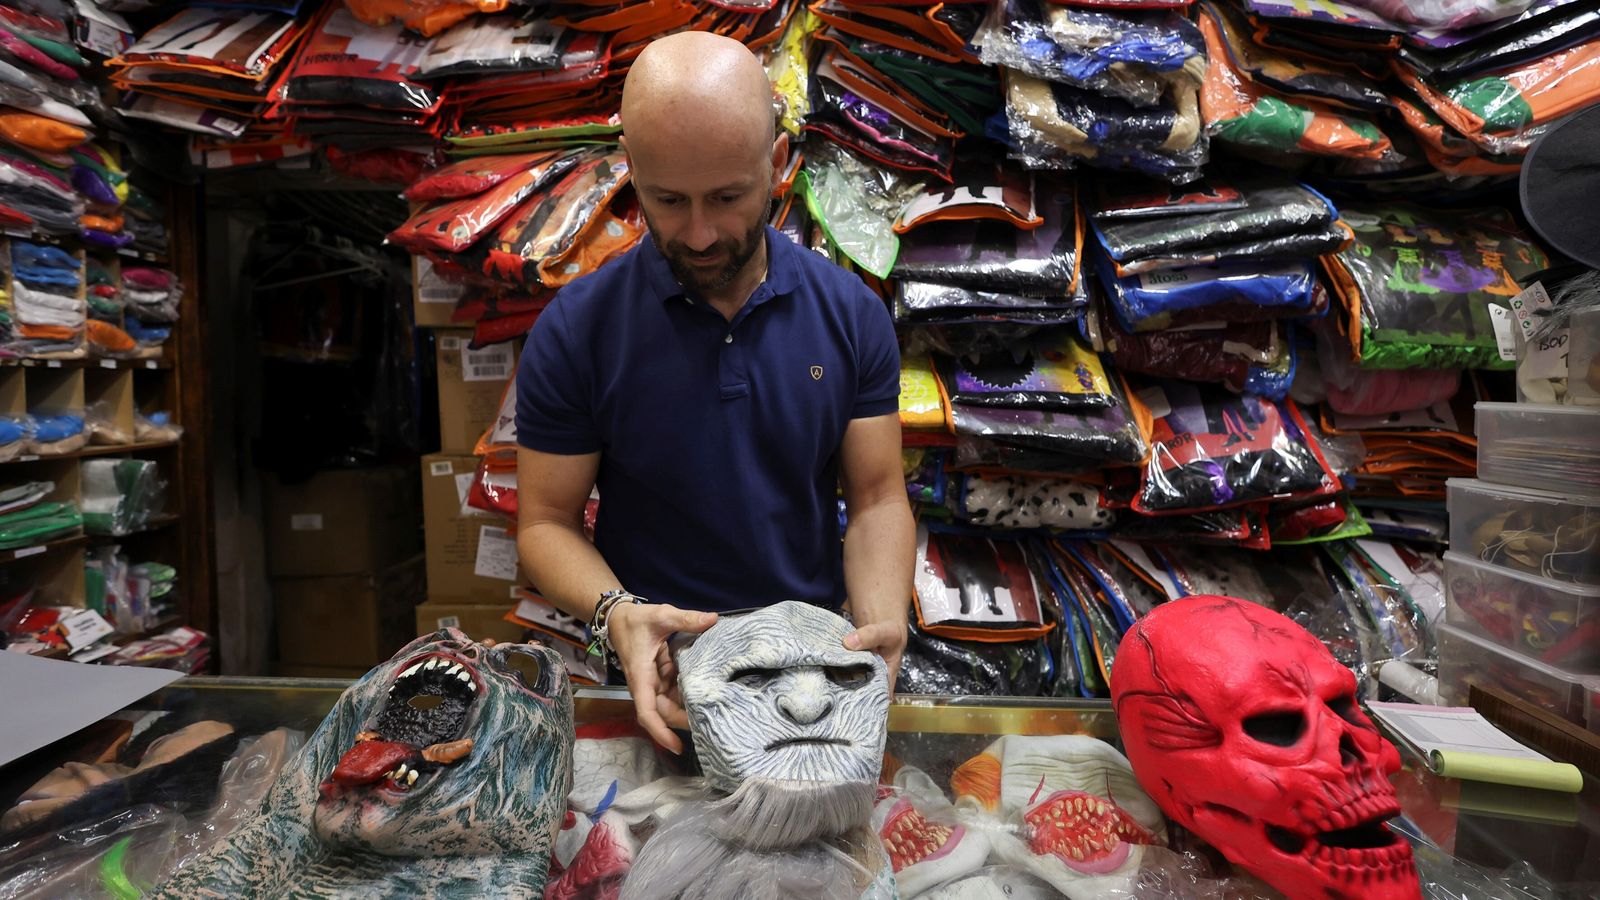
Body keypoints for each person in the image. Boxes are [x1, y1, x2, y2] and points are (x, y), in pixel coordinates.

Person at [513, 31, 915, 753]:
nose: (699, 235)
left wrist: (878, 629)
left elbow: (879, 496)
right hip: (661, 677)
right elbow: (545, 520)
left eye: (728, 197)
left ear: (779, 165)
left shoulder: (850, 315)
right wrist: (617, 614)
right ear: (632, 173)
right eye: (668, 200)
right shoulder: (578, 329)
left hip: (812, 672)